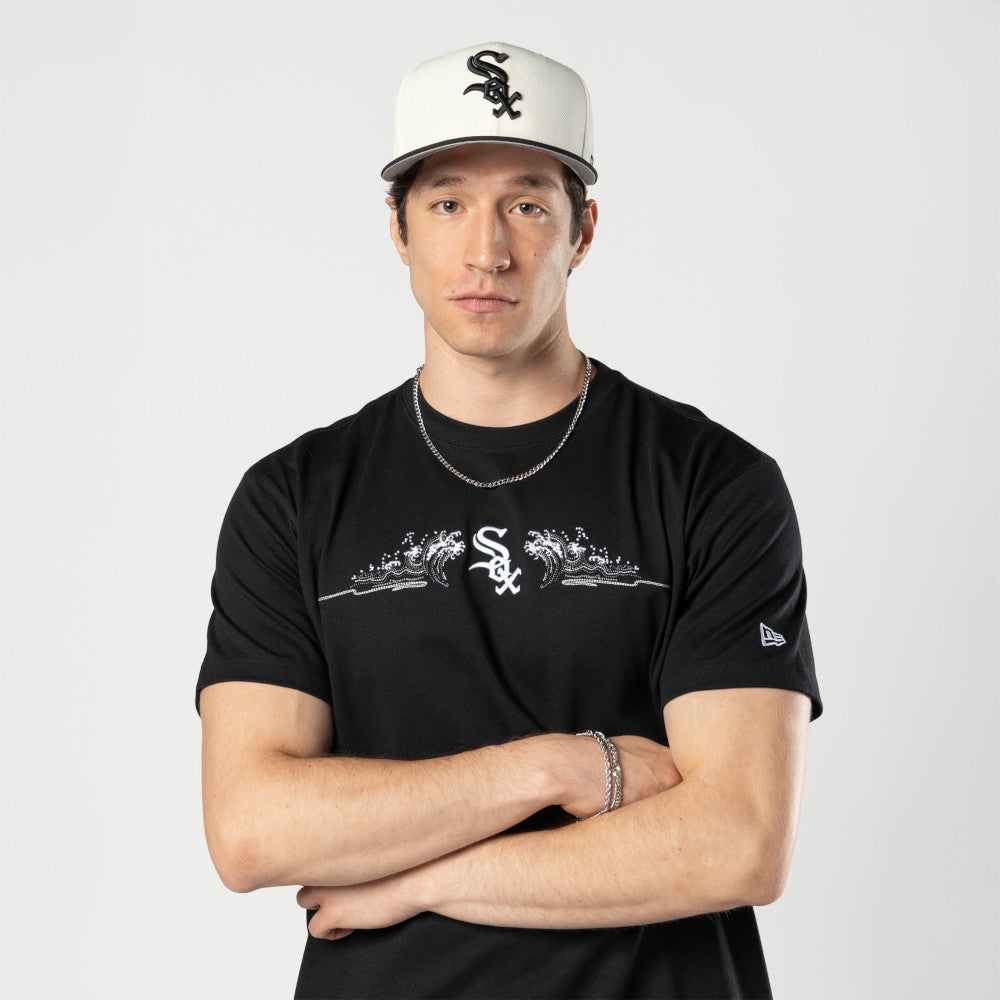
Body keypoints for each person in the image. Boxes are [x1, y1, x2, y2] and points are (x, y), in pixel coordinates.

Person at [195, 41, 823, 1000]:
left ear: (584, 230)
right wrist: (556, 768)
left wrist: (415, 881)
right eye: (448, 204)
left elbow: (737, 842)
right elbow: (251, 830)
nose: (486, 250)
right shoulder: (294, 496)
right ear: (399, 229)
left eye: (527, 206)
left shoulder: (712, 482)